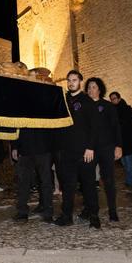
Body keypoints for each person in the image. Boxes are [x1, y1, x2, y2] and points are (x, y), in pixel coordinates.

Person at [54, 70, 99, 229]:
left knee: (88, 185)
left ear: (80, 81)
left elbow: (94, 127)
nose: (71, 83)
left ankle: (94, 216)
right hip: (67, 152)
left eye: (74, 80)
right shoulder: (64, 100)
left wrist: (90, 147)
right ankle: (67, 216)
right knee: (68, 186)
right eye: (69, 80)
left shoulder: (87, 101)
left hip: (85, 152)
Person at [86, 78, 122, 222]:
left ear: (99, 89)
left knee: (108, 180)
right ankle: (90, 210)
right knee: (88, 181)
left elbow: (116, 126)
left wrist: (118, 146)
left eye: (93, 87)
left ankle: (113, 211)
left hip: (106, 147)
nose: (90, 90)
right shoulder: (84, 106)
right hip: (89, 149)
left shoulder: (107, 106)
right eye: (88, 87)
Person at [12, 127, 55, 223]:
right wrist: (15, 146)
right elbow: (16, 125)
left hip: (40, 148)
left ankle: (46, 211)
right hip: (29, 148)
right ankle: (24, 212)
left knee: (43, 182)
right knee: (25, 182)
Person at [109, 92, 132, 189]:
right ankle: (130, 179)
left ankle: (130, 182)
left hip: (128, 140)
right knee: (124, 162)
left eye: (114, 98)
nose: (113, 100)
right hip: (120, 142)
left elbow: (131, 124)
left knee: (129, 162)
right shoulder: (113, 110)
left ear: (119, 98)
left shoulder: (126, 109)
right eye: (111, 99)